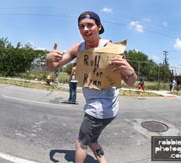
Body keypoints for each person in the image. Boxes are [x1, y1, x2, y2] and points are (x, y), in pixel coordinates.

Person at [46, 11, 137, 163]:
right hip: (105, 109)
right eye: (81, 26)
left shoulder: (112, 48)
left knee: (81, 143)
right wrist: (48, 59)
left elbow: (130, 82)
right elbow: (52, 67)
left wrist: (131, 71)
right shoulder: (78, 48)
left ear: (99, 26)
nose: (85, 29)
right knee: (93, 141)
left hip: (100, 110)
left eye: (90, 25)